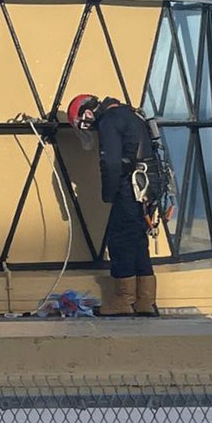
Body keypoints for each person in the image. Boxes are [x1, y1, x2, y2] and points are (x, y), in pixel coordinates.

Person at [66, 94, 159, 317]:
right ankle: (145, 300)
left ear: (88, 114)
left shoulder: (109, 120)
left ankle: (123, 299)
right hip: (149, 185)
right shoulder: (133, 115)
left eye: (84, 125)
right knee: (138, 240)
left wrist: (108, 194)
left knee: (120, 240)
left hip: (129, 187)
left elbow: (110, 162)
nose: (89, 130)